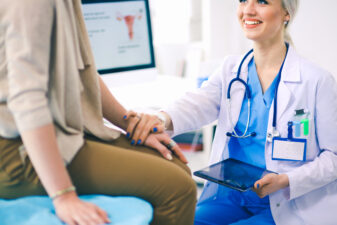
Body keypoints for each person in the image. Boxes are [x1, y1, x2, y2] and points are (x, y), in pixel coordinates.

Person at [138, 0, 337, 224]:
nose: (248, 10)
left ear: (286, 14)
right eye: (243, 0)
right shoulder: (231, 69)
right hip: (231, 197)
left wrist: (286, 180)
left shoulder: (317, 81)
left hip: (287, 202)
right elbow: (197, 103)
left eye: (262, 1)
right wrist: (161, 119)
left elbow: (334, 157)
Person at [0, 0, 197, 225]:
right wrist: (63, 196)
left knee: (177, 166)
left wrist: (131, 124)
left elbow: (83, 71)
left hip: (62, 132)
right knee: (178, 189)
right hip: (17, 151)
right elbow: (27, 100)